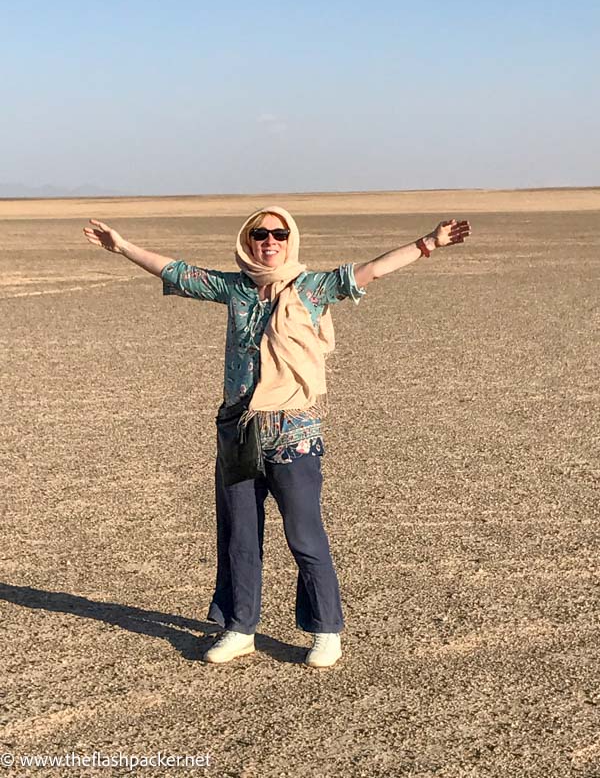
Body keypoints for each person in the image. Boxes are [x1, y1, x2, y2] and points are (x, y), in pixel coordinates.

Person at [83, 206, 470, 668]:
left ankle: (326, 630)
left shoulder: (311, 288)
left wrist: (428, 243)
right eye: (260, 234)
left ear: (291, 239)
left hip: (293, 431)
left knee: (305, 534)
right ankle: (240, 627)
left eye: (279, 234)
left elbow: (369, 271)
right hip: (239, 429)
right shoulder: (236, 288)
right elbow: (179, 273)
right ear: (248, 241)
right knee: (240, 536)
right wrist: (122, 246)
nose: (270, 241)